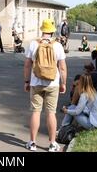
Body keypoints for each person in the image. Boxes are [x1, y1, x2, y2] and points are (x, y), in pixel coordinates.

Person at [24, 19, 67, 152]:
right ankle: (52, 144)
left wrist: (26, 81)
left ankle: (32, 143)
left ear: (42, 30)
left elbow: (27, 64)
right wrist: (63, 83)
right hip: (53, 83)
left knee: (36, 112)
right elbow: (62, 67)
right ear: (52, 31)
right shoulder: (57, 45)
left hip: (36, 82)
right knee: (51, 113)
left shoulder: (33, 44)